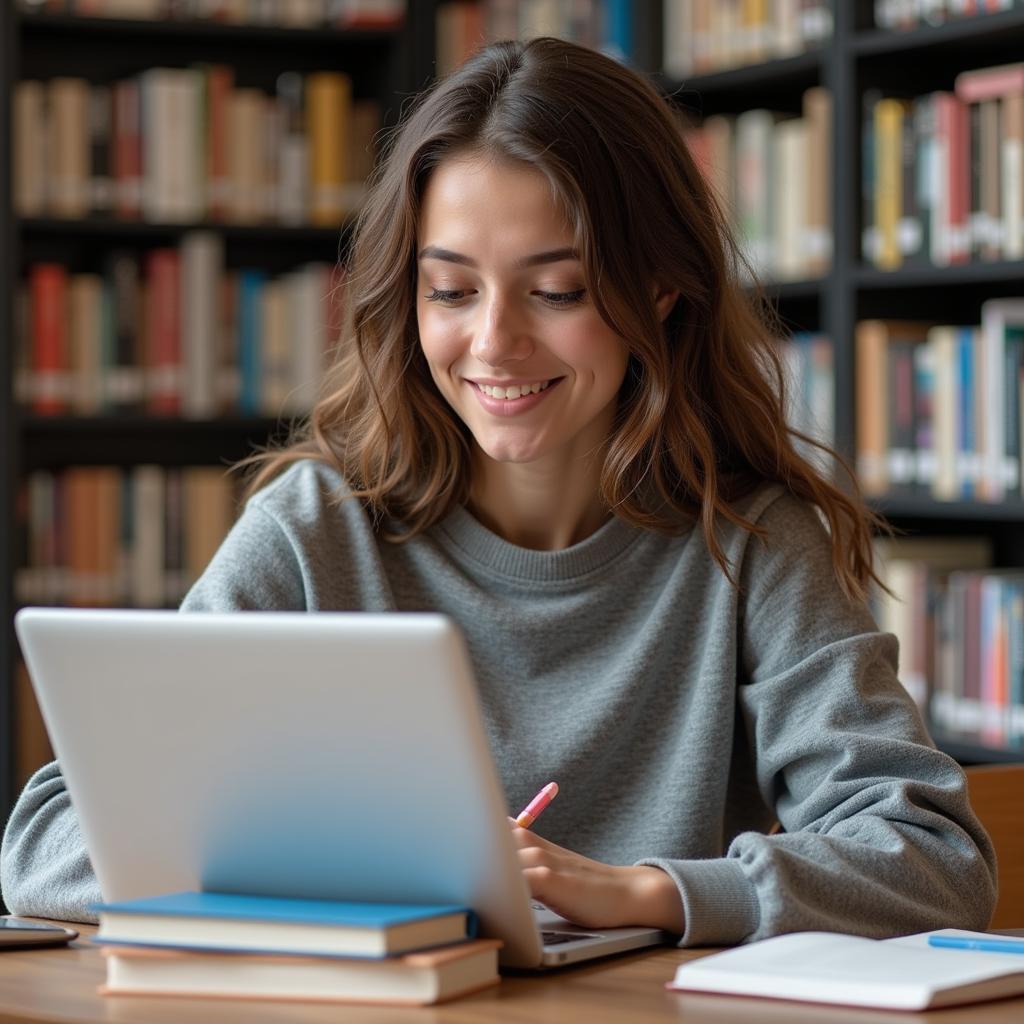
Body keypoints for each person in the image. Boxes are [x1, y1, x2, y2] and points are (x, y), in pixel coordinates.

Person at [2, 38, 995, 945]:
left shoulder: (748, 542)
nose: (492, 344)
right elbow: (46, 846)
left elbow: (933, 860)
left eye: (556, 290)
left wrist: (640, 890)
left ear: (660, 290)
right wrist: (385, 886)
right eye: (451, 289)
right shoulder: (316, 533)